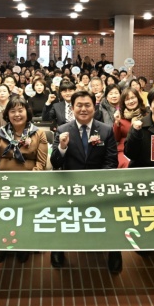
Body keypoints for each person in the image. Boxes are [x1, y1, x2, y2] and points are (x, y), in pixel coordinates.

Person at [50, 91, 119, 272]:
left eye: (87, 105)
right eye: (79, 105)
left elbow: (111, 161)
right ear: (72, 108)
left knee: (111, 214)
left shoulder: (105, 130)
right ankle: (58, 248)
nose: (83, 109)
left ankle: (114, 251)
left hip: (99, 184)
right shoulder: (63, 130)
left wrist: (97, 182)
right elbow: (55, 163)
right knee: (61, 214)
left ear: (94, 107)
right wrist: (62, 147)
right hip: (70, 186)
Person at [0, 95, 48, 264]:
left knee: (24, 215)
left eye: (20, 110)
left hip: (28, 183)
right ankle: (2, 245)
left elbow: (41, 163)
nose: (17, 114)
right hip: (4, 184)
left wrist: (29, 180)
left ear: (27, 112)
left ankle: (22, 245)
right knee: (3, 215)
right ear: (7, 114)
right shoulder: (0, 133)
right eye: (12, 111)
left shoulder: (38, 133)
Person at [112, 87, 147, 168]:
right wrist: (117, 122)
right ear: (124, 102)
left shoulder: (146, 115)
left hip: (143, 149)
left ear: (138, 98)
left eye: (133, 97)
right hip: (124, 151)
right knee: (128, 165)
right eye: (127, 99)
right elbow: (116, 138)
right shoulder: (120, 116)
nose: (131, 101)